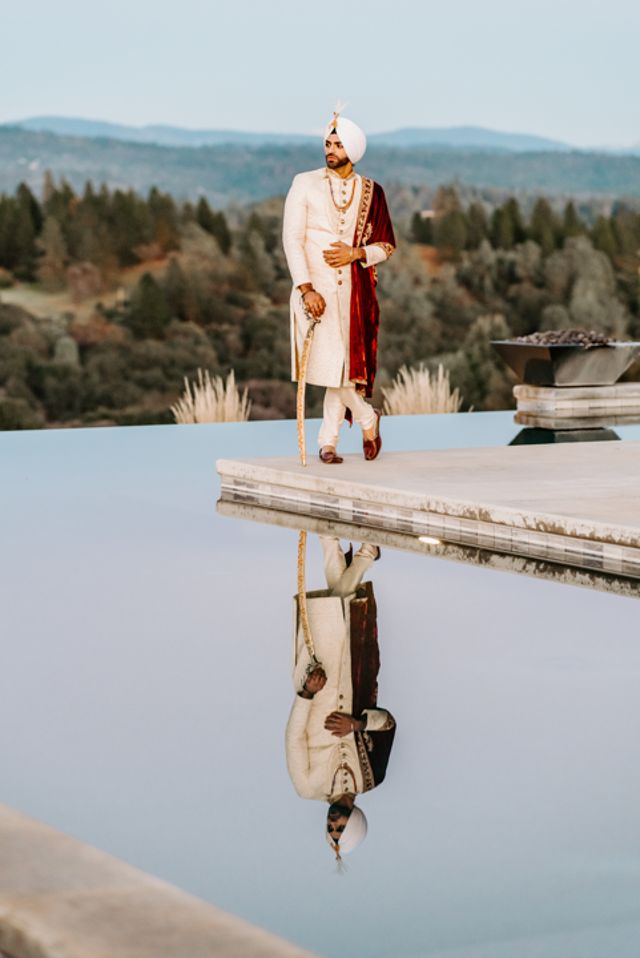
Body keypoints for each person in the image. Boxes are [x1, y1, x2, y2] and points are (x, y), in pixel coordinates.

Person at [282, 109, 396, 464]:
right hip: (313, 293)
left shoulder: (371, 192)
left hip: (355, 296)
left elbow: (386, 246)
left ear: (352, 150)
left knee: (341, 369)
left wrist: (356, 252)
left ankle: (327, 442)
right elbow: (291, 239)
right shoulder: (304, 182)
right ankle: (367, 418)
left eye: (337, 144)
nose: (330, 149)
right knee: (334, 365)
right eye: (327, 143)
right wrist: (306, 289)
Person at [285, 536, 396, 861]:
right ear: (356, 823)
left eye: (331, 830)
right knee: (343, 609)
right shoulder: (372, 777)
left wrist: (307, 692)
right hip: (353, 678)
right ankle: (339, 543)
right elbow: (387, 725)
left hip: (316, 685)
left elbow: (294, 738)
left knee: (328, 612)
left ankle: (362, 552)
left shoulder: (307, 788)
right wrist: (357, 723)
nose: (334, 824)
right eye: (341, 829)